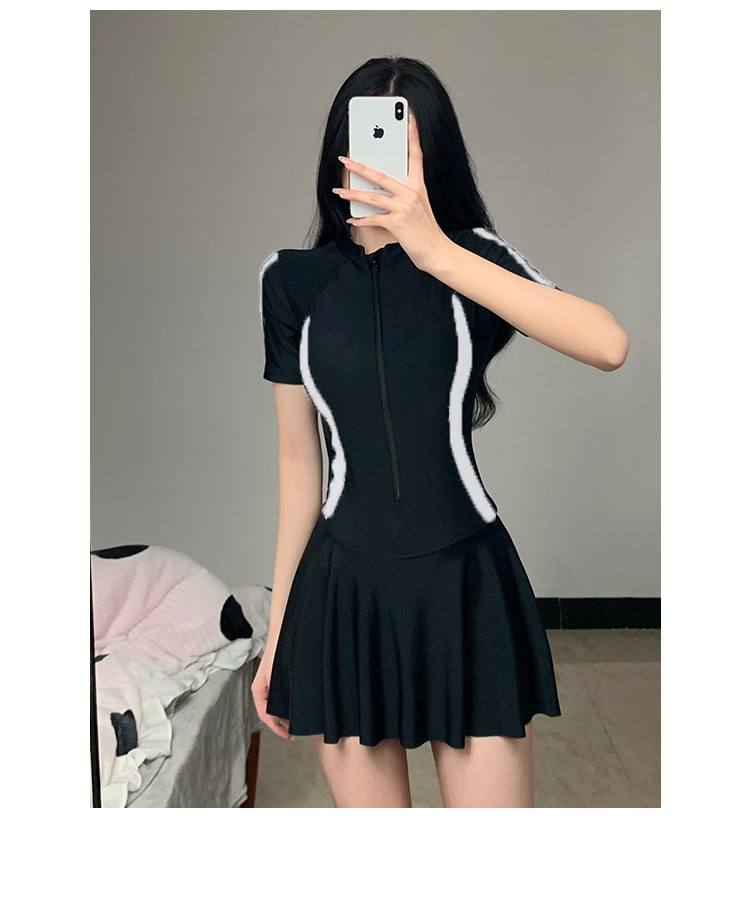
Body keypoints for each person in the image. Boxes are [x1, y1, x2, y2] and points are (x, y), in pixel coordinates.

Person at [251, 56, 629, 809]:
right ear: (339, 151)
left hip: (467, 590)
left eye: (405, 148)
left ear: (435, 162)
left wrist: (434, 249)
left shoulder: (470, 260)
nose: (382, 165)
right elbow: (299, 468)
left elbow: (608, 343)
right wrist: (279, 636)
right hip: (345, 598)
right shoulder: (291, 282)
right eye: (368, 140)